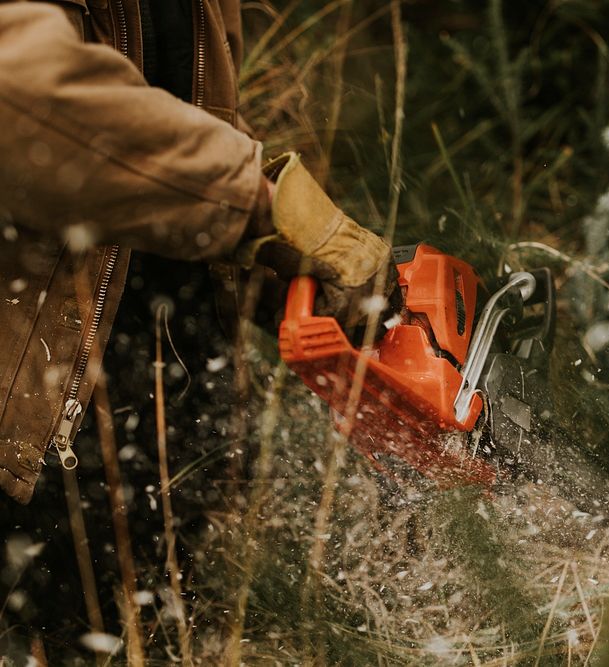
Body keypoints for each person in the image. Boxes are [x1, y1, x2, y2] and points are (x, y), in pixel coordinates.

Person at [0, 0, 394, 505]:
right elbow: (31, 107)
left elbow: (200, 119)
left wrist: (279, 266)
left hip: (160, 414)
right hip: (30, 421)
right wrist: (258, 206)